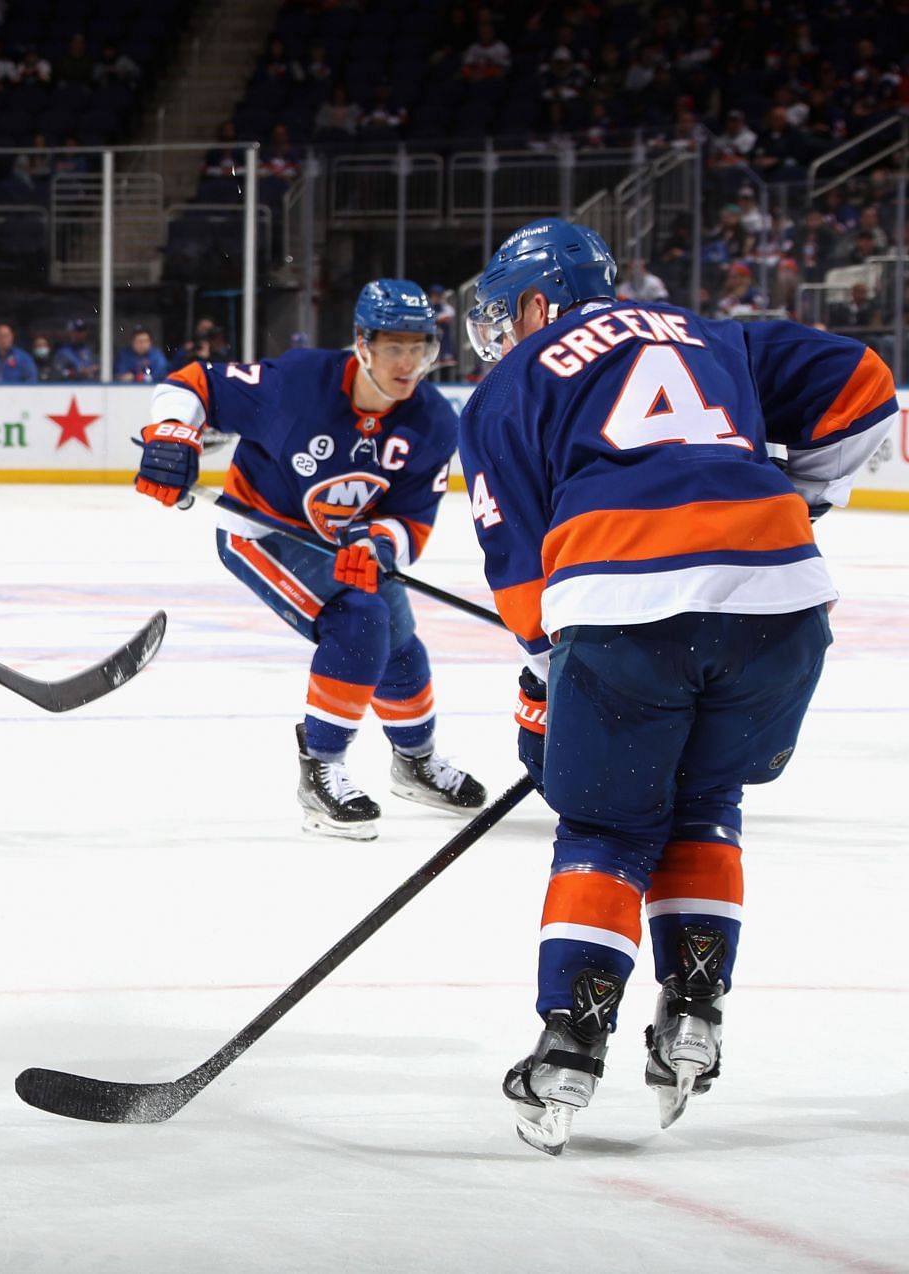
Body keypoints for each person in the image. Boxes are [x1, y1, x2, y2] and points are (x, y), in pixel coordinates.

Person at [458, 218, 897, 1154]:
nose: (501, 332)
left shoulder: (510, 384)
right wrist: (804, 492)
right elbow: (866, 387)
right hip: (785, 604)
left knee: (611, 825)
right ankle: (694, 1014)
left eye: (507, 313)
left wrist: (547, 681)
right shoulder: (709, 331)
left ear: (536, 303)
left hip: (627, 611)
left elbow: (525, 587)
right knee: (704, 801)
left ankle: (571, 1043)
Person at [134, 279, 485, 839]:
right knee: (360, 622)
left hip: (346, 544)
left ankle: (414, 761)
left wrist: (377, 544)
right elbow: (194, 383)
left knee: (398, 637)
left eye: (419, 347)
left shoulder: (433, 422)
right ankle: (322, 769)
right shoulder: (300, 383)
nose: (408, 362)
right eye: (394, 346)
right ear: (362, 344)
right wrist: (173, 437)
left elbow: (411, 517)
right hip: (263, 533)